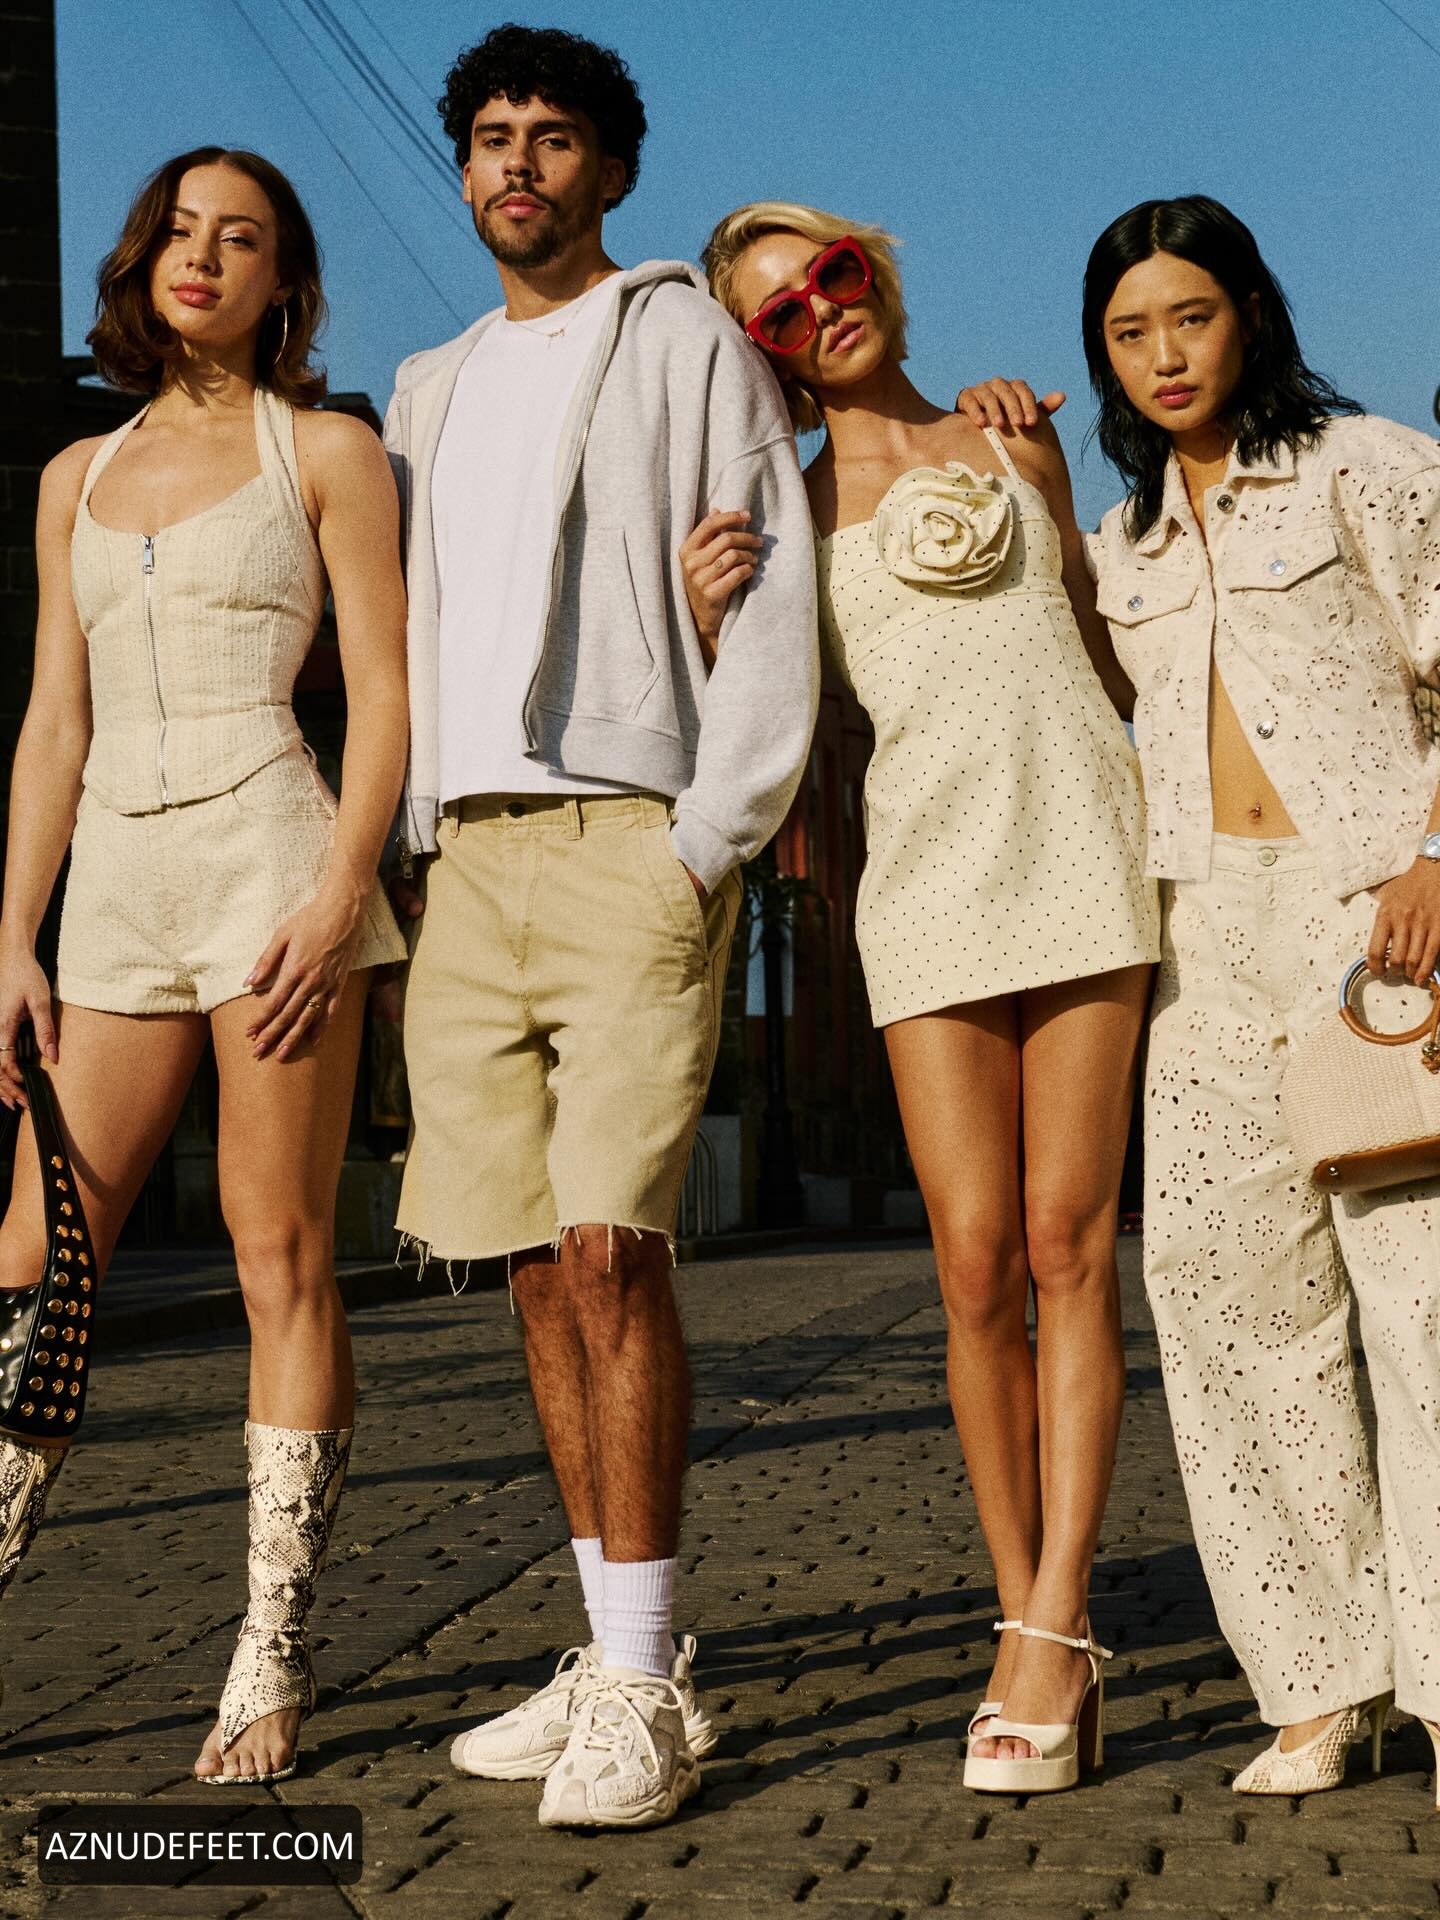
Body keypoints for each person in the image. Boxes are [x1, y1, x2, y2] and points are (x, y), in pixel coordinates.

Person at [382, 27, 818, 1830]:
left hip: (630, 840)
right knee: (532, 1268)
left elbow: (769, 578)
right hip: (466, 859)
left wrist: (708, 840)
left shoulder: (684, 337)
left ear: (612, 171)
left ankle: (644, 1685)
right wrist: (411, 838)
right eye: (492, 136)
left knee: (616, 1247)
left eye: (554, 138)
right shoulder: (427, 386)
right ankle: (609, 1645)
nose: (518, 164)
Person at [959, 194, 1440, 1802]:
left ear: (1250, 314)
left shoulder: (1365, 466)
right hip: (1198, 936)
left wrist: (1436, 853)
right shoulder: (1132, 539)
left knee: (1424, 1307)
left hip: (1371, 918)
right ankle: (1318, 1683)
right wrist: (1035, 483)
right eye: (1128, 332)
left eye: (1191, 316)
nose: (1165, 355)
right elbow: (1093, 695)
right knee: (1232, 1315)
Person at [697, 201, 1158, 1795]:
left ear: (875, 273)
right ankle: (1020, 1606)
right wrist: (709, 616)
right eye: (779, 312)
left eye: (831, 275)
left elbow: (1113, 658)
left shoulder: (1016, 438)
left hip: (1084, 847)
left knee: (1069, 1244)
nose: (819, 310)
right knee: (971, 1266)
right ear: (759, 354)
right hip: (926, 886)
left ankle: (1058, 1622)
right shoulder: (784, 516)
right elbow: (760, 740)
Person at [0, 147, 408, 1785]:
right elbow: (54, 721)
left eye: (241, 238)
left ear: (282, 280)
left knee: (277, 1249)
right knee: (38, 1255)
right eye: (181, 230)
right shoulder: (74, 474)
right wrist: (13, 933)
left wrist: (337, 893)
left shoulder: (329, 450)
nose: (204, 257)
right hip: (111, 885)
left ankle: (271, 1650)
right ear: (143, 258)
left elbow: (383, 693)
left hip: (268, 865)